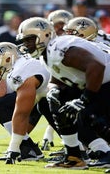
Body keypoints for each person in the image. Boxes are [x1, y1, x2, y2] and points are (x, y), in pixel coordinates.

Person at [17, 16, 110, 169]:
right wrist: (53, 90)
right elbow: (58, 77)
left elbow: (96, 67)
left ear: (44, 35)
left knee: (87, 113)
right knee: (56, 102)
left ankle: (105, 152)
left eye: (30, 39)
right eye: (24, 41)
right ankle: (74, 156)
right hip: (100, 81)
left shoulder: (59, 47)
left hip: (104, 80)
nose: (26, 45)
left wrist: (84, 100)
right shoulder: (48, 53)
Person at [41, 9, 74, 151]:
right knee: (47, 102)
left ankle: (80, 147)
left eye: (63, 25)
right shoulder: (51, 44)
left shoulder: (70, 43)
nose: (60, 29)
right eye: (57, 25)